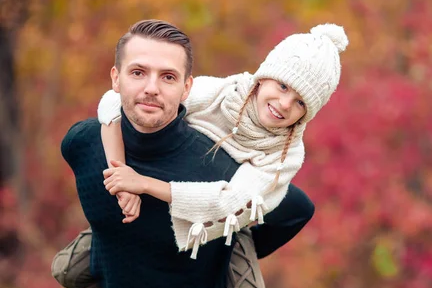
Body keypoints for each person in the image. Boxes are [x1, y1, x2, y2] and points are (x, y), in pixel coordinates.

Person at [61, 19, 317, 288]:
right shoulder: (82, 144)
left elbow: (296, 207)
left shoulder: (220, 170)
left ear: (186, 88)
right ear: (115, 78)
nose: (151, 87)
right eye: (138, 72)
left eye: (167, 77)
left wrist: (231, 237)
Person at [98, 22, 348, 258]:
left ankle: (234, 258)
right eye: (282, 87)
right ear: (262, 78)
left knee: (296, 208)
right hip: (174, 161)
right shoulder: (223, 93)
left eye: (300, 102)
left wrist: (143, 184)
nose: (284, 104)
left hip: (222, 210)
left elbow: (230, 201)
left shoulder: (287, 154)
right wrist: (121, 177)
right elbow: (112, 100)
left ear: (307, 114)